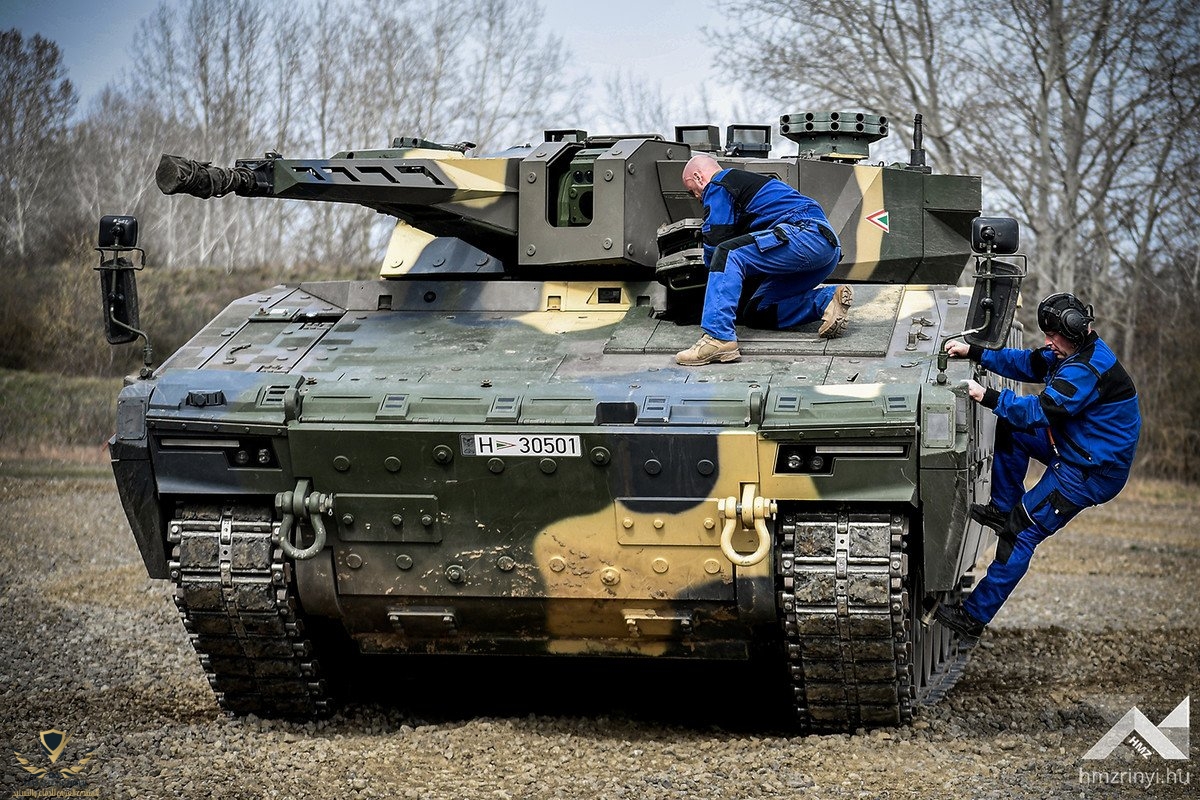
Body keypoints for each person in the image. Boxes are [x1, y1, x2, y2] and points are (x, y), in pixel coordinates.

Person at [935, 292, 1141, 638]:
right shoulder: (1070, 351)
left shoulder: (1085, 369)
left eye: (1053, 336)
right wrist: (975, 352)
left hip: (1089, 472)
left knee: (1021, 532)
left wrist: (987, 396)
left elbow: (1038, 411)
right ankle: (1002, 508)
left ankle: (972, 618)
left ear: (1073, 330)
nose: (1048, 342)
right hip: (1077, 446)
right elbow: (1027, 363)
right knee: (1012, 428)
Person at [674, 153, 853, 366]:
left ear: (698, 177)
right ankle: (827, 299)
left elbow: (717, 238)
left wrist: (707, 274)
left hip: (804, 235)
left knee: (726, 253)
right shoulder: (745, 188)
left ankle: (717, 337)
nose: (696, 196)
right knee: (757, 311)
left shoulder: (719, 183)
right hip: (825, 249)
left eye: (692, 190)